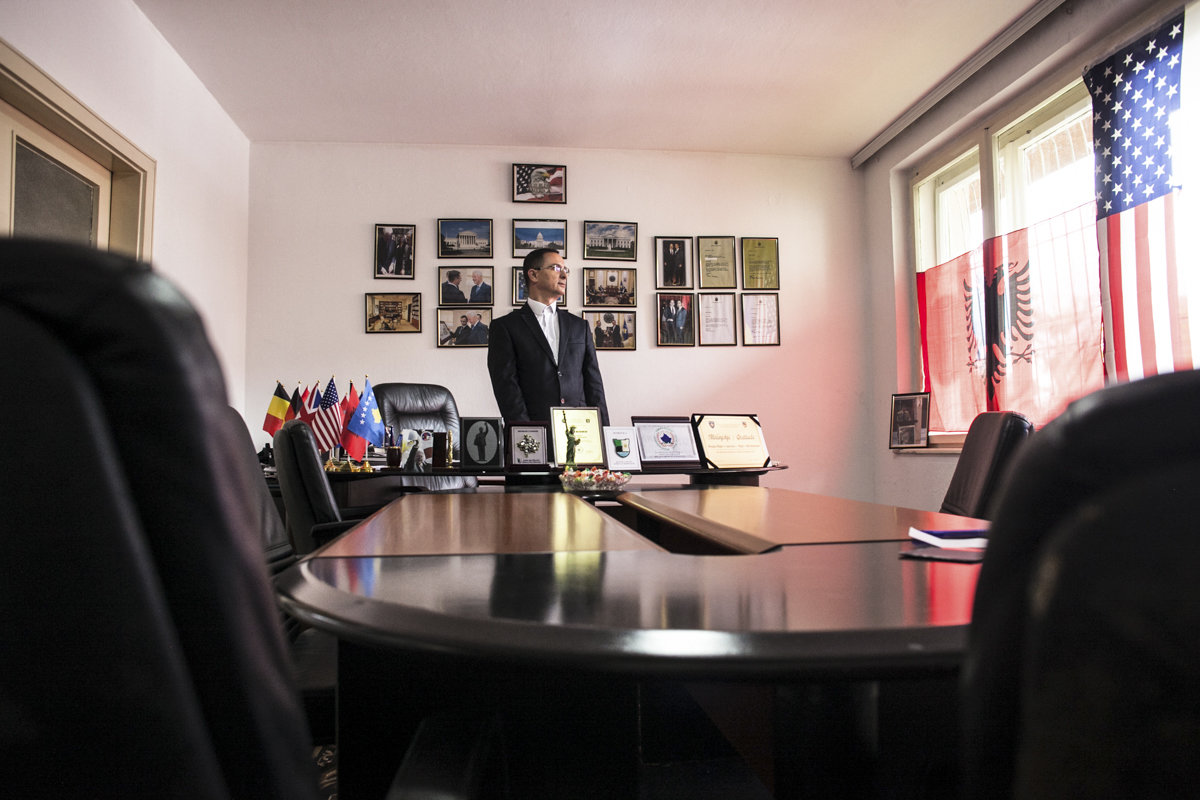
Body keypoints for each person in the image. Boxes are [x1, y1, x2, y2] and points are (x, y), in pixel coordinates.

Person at [487, 247, 609, 426]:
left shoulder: (579, 326)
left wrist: (604, 431)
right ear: (533, 275)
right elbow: (507, 389)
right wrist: (526, 432)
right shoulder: (504, 327)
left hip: (581, 432)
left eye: (565, 270)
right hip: (534, 432)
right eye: (556, 268)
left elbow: (594, 384)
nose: (565, 276)